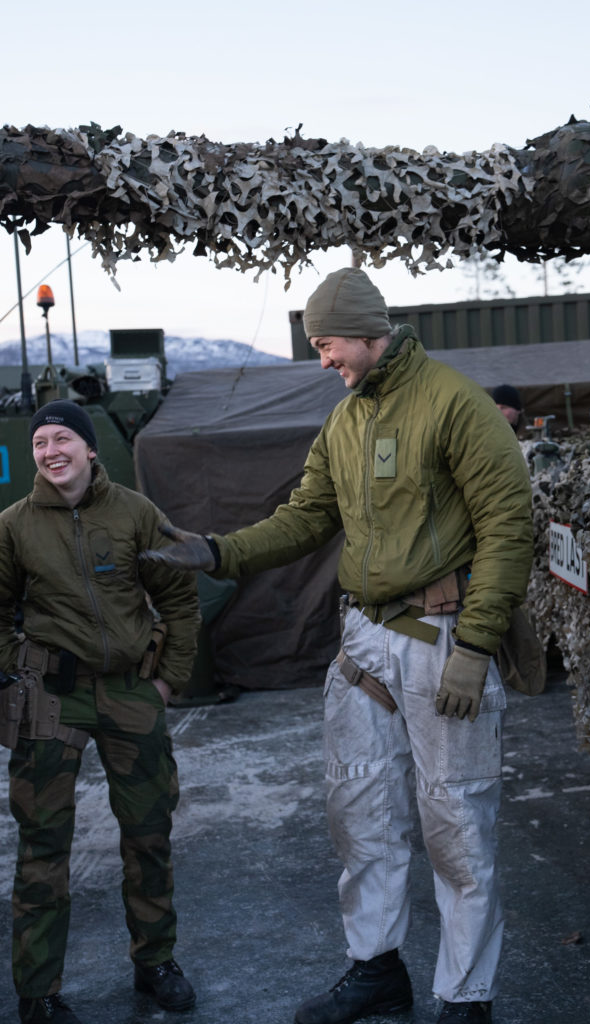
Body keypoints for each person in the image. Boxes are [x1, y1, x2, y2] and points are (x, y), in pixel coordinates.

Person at [143, 268, 534, 1024]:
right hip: (362, 646)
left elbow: (507, 529)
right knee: (362, 812)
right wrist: (217, 552)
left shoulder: (454, 404)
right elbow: (304, 518)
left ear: (364, 330)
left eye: (326, 344)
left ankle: (467, 996)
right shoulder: (345, 420)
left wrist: (476, 646)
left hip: (440, 638)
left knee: (455, 821)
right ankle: (376, 967)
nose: (322, 360)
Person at [0, 400, 201, 1024]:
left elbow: (180, 598)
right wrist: (20, 669)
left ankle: (156, 961)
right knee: (42, 843)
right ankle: (38, 992)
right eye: (40, 442)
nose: (50, 450)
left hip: (129, 691)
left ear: (90, 449)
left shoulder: (137, 514)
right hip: (50, 700)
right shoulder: (13, 525)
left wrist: (166, 681)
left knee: (149, 832)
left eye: (63, 438)